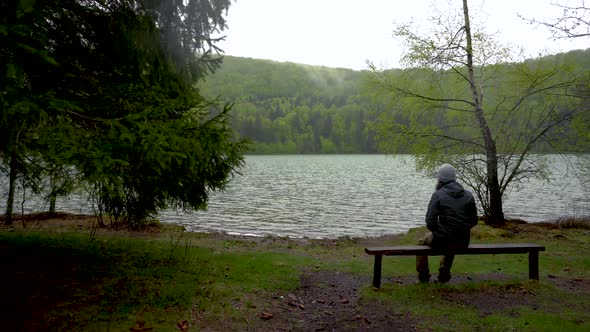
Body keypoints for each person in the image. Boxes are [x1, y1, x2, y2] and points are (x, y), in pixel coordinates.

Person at [416, 164, 478, 283]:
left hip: (443, 239)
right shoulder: (468, 195)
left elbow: (430, 221)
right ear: (454, 178)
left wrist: (440, 231)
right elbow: (474, 221)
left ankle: (423, 276)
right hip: (463, 241)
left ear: (440, 180)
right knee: (453, 240)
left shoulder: (438, 195)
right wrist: (460, 229)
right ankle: (443, 275)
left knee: (421, 242)